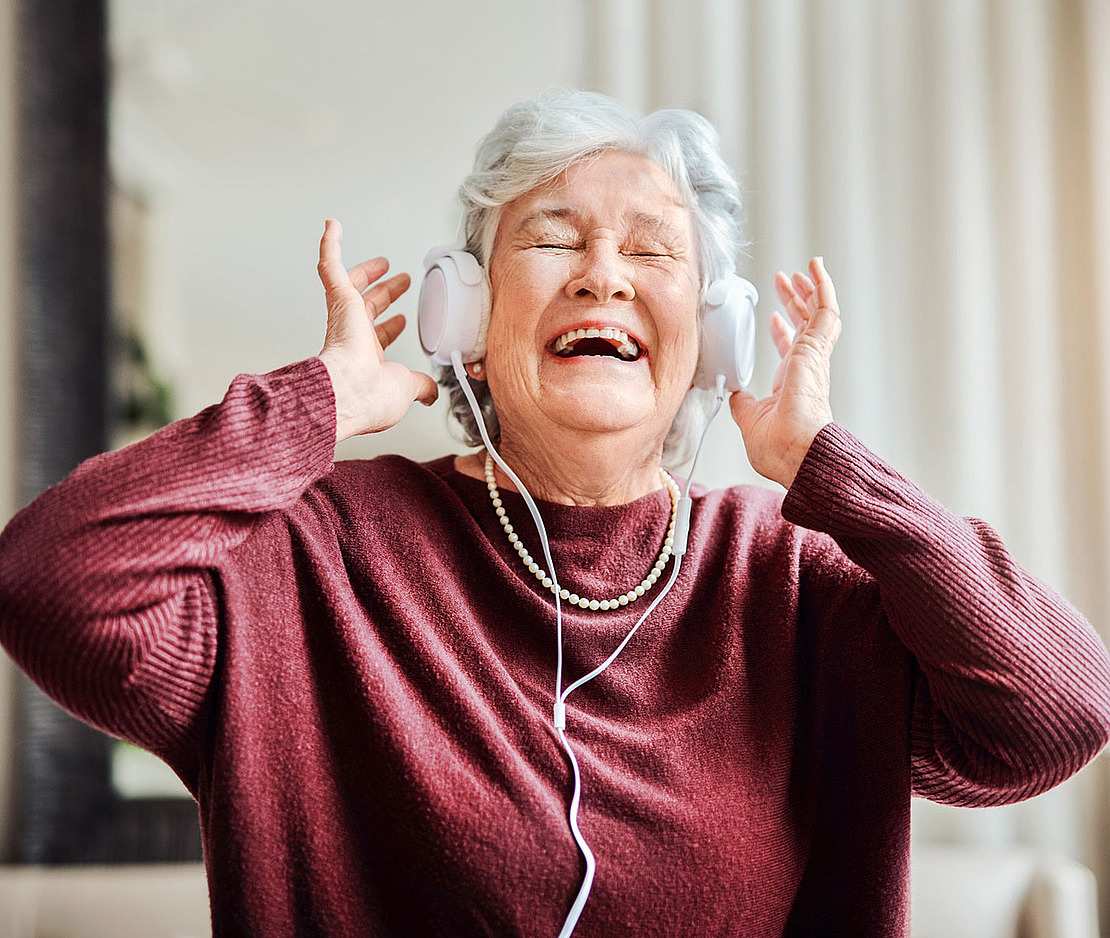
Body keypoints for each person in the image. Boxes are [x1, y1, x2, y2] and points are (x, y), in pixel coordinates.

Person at [1, 90, 1109, 938]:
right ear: (468, 314)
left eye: (652, 250)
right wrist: (323, 401)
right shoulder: (316, 558)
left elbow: (1058, 712)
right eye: (553, 238)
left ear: (709, 338)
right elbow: (47, 581)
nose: (603, 277)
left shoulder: (792, 579)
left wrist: (828, 466)